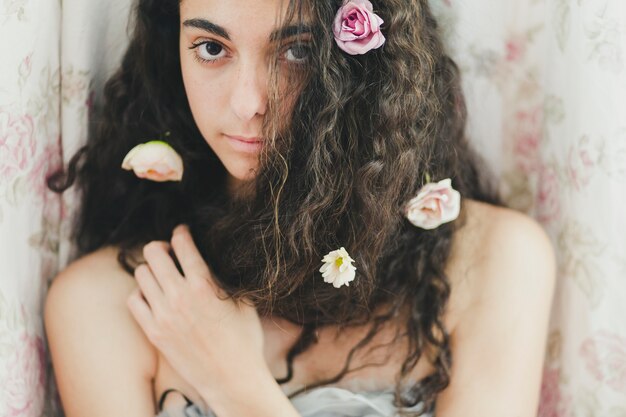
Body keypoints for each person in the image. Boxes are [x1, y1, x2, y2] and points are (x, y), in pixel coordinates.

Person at [43, 0, 556, 416]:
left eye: (297, 52)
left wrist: (237, 386)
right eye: (210, 47)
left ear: (366, 64)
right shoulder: (109, 304)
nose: (247, 102)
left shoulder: (491, 262)